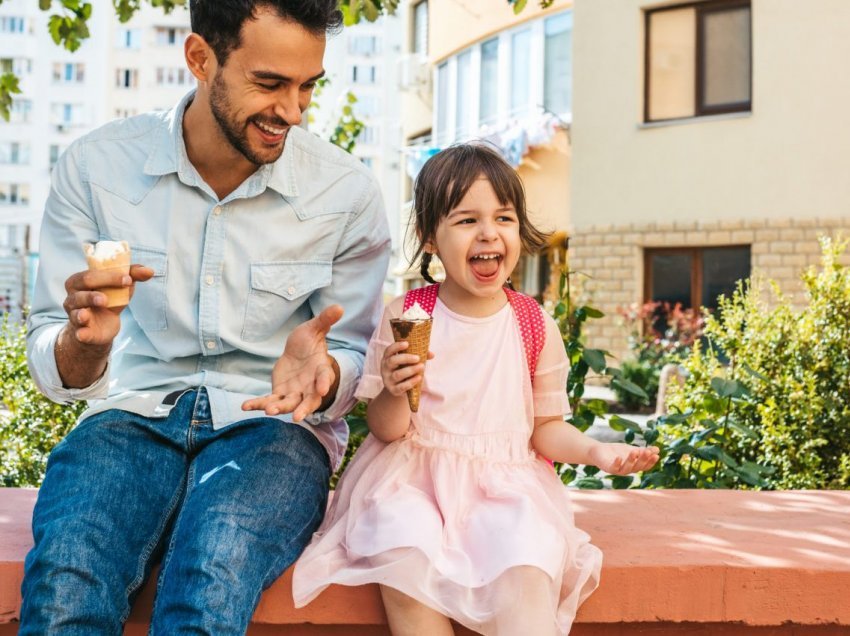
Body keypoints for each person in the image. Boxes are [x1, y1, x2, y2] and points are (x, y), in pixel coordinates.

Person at [21, 0, 390, 633]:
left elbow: (355, 359)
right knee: (67, 576)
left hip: (273, 428)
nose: (293, 112)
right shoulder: (96, 168)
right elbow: (54, 357)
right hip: (130, 414)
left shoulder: (346, 193)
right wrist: (85, 344)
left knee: (212, 570)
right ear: (200, 58)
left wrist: (323, 374)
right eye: (270, 84)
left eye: (307, 87)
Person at [290, 144, 659, 635]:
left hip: (502, 488)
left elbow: (545, 429)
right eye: (466, 221)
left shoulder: (532, 324)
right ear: (429, 238)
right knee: (403, 553)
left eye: (503, 218)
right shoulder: (409, 314)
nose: (489, 233)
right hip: (411, 482)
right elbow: (385, 429)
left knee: (526, 566)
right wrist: (397, 389)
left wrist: (597, 452)